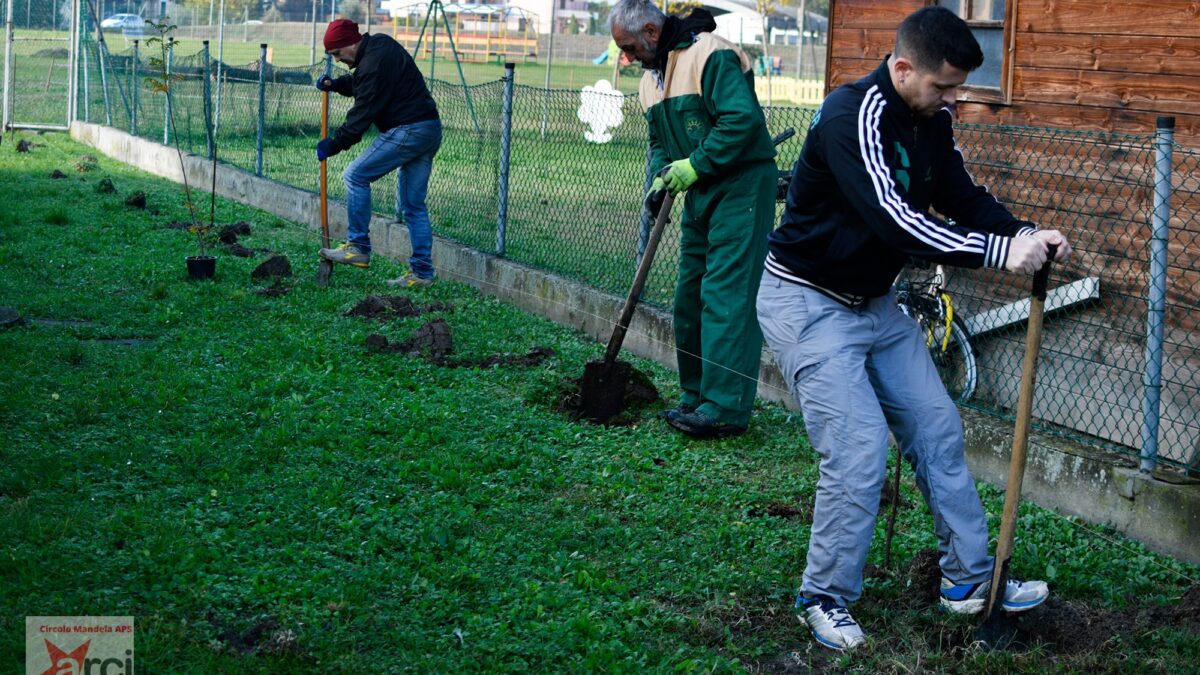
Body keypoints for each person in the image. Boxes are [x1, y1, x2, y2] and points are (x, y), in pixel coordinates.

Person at [755, 6, 1072, 651]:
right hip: (807, 303)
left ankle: (967, 580)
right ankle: (824, 597)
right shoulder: (853, 117)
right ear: (902, 67)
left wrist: (1020, 232)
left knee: (936, 427)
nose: (953, 99)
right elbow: (896, 222)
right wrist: (993, 253)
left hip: (874, 303)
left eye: (958, 88)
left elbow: (959, 193)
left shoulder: (931, 118)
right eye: (943, 86)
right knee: (859, 448)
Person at [609, 0, 777, 439]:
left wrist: (696, 164)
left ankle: (724, 409)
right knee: (689, 295)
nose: (625, 58)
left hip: (740, 185)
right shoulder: (650, 81)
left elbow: (741, 122)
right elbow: (659, 142)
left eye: (628, 47)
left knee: (726, 295)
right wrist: (662, 178)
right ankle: (696, 396)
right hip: (699, 189)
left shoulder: (710, 54)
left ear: (650, 30)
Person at [315, 18, 442, 287]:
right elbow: (364, 83)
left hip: (409, 129)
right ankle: (422, 274)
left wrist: (334, 144)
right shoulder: (380, 46)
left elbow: (363, 113)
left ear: (351, 42)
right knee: (413, 206)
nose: (337, 59)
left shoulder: (372, 63)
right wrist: (335, 85)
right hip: (429, 128)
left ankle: (358, 247)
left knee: (355, 176)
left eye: (337, 53)